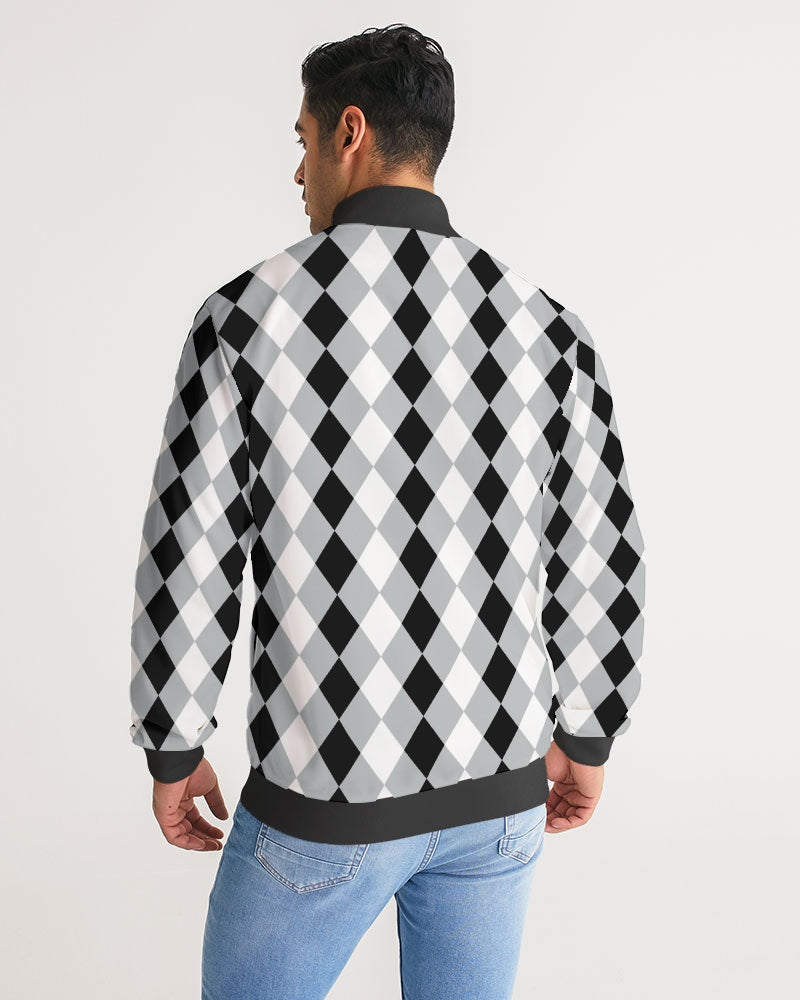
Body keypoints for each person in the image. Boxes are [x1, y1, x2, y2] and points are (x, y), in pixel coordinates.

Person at [128, 22, 646, 1000]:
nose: (298, 171)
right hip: (496, 798)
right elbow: (598, 554)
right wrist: (586, 737)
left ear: (349, 132)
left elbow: (191, 555)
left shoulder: (245, 319)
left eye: (302, 139)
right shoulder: (545, 329)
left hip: (325, 798)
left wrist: (173, 740)